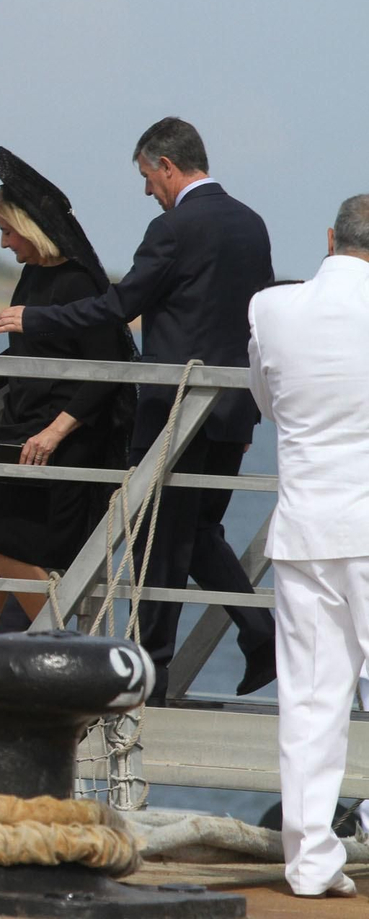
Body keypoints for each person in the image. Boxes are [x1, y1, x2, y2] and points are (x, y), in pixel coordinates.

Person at [0, 118, 276, 699]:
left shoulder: (171, 229)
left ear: (167, 166)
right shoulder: (251, 224)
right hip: (230, 412)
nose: (148, 191)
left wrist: (34, 319)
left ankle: (168, 663)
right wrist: (250, 409)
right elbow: (257, 318)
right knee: (193, 533)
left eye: (148, 177)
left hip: (175, 410)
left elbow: (119, 307)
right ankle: (238, 641)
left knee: (158, 539)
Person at [0, 149, 135, 635]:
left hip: (65, 440)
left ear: (30, 229)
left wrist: (55, 432)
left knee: (3, 544)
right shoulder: (33, 275)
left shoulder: (77, 282)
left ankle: (76, 652)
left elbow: (109, 367)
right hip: (23, 432)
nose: (4, 242)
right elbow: (32, 352)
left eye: (7, 231)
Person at [247, 194, 369, 900]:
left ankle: (311, 860)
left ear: (329, 237)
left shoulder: (272, 308)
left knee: (311, 703)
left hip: (305, 530)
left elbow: (267, 398)